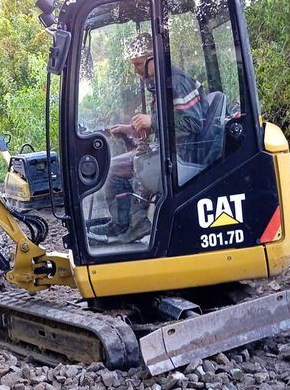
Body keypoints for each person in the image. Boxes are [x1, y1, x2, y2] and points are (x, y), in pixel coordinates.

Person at [89, 32, 209, 244]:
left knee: (113, 169)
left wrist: (152, 121)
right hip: (170, 149)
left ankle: (131, 224)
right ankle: (125, 223)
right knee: (116, 166)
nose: (135, 70)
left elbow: (193, 123)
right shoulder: (160, 82)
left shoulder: (177, 82)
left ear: (155, 58)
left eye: (139, 64)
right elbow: (171, 120)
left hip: (182, 156)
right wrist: (132, 129)